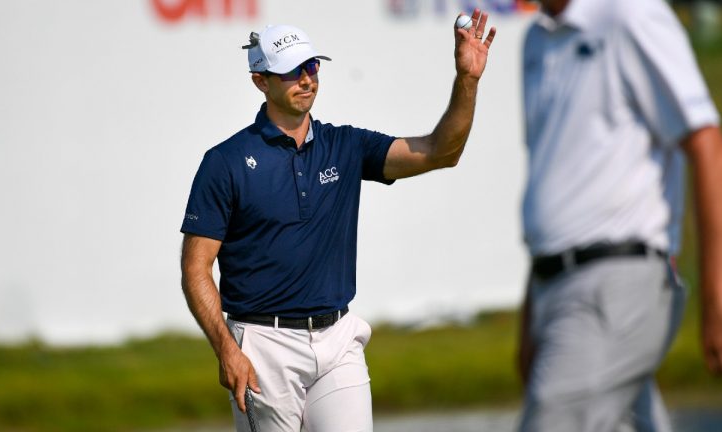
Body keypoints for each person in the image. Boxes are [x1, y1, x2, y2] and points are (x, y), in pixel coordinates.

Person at [179, 10, 496, 431]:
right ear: (261, 80)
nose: (307, 78)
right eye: (291, 71)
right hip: (262, 345)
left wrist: (467, 81)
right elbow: (195, 269)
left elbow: (441, 151)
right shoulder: (225, 162)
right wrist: (226, 348)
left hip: (338, 337)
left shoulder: (345, 145)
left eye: (311, 66)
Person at [516, 0, 722, 431]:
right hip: (554, 289)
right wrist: (529, 313)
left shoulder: (632, 14)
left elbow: (705, 141)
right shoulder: (534, 41)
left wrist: (718, 295)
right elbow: (552, 190)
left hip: (617, 285)